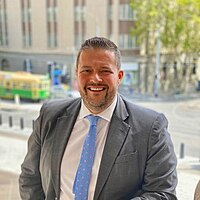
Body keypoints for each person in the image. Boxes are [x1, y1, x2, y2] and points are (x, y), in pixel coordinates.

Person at [19, 37, 178, 200]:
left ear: (119, 76)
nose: (95, 78)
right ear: (77, 75)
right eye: (86, 71)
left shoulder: (151, 127)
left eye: (105, 71)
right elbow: (30, 178)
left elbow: (163, 193)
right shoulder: (50, 115)